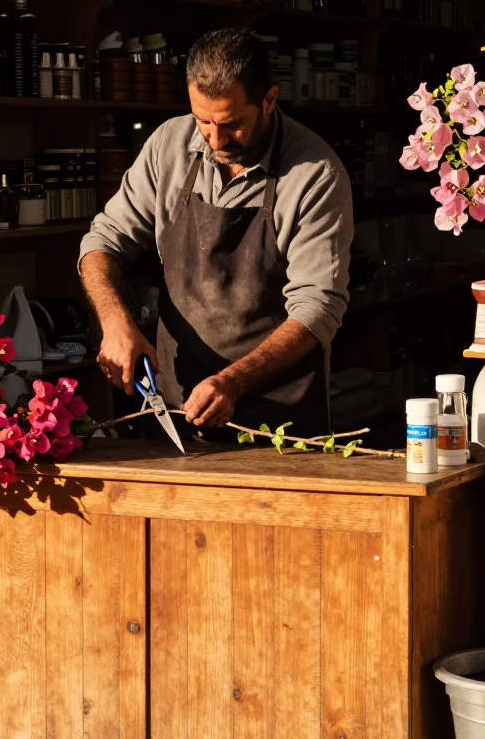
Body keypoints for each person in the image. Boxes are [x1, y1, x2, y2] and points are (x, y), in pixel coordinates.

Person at [79, 29, 353, 435]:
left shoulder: (316, 174)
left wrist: (234, 380)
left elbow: (319, 306)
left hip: (277, 418)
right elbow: (103, 240)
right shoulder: (168, 146)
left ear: (269, 100)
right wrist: (115, 321)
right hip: (175, 405)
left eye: (231, 123)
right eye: (202, 120)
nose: (215, 139)